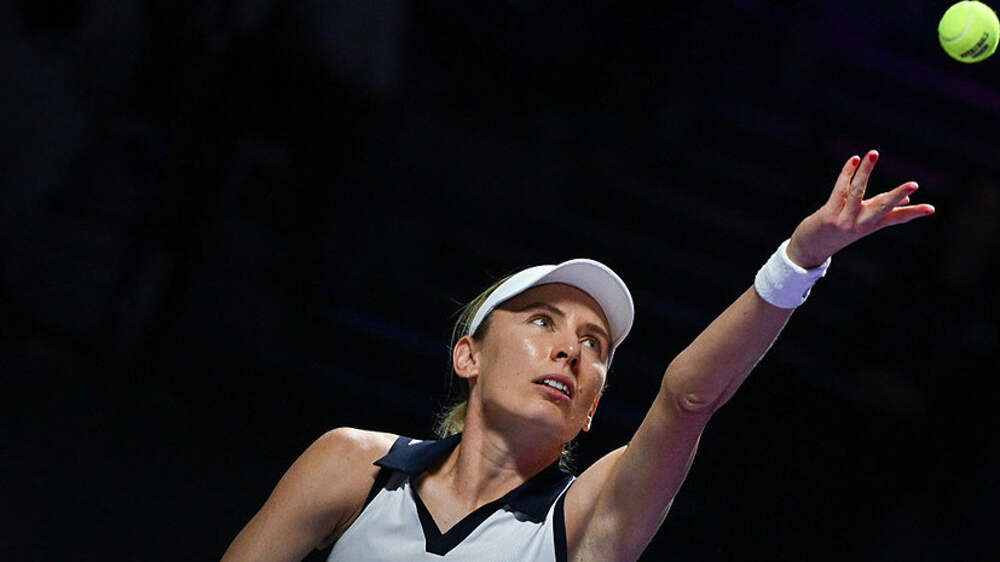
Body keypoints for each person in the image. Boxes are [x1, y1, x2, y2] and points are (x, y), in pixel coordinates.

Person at [221, 150, 934, 561]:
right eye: (542, 321)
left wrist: (797, 263)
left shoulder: (584, 521)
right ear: (468, 356)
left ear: (591, 410)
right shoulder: (353, 467)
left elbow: (687, 398)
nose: (570, 349)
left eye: (594, 346)